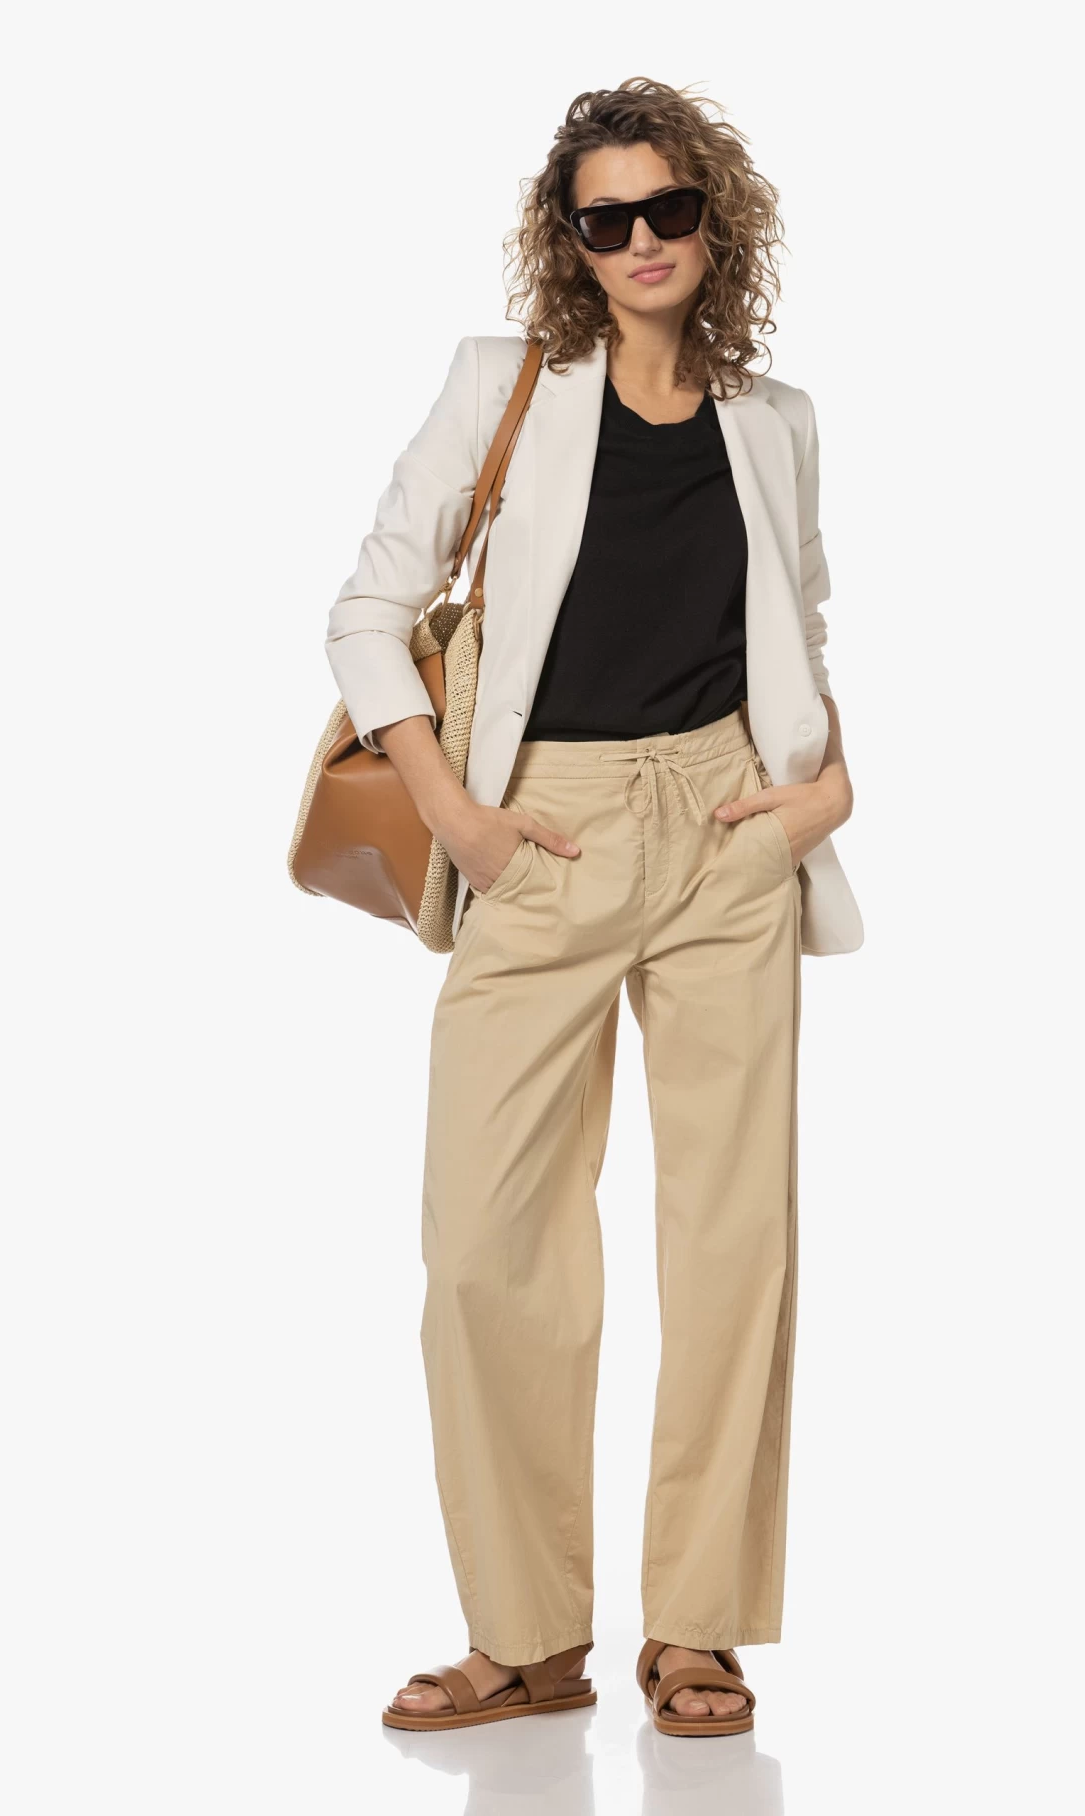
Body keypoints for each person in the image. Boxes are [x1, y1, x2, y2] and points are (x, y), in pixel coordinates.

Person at [323, 77, 863, 1737]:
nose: (641, 241)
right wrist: (459, 819)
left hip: (726, 829)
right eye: (605, 218)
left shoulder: (774, 420)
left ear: (715, 221)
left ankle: (698, 1628)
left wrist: (829, 788)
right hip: (539, 831)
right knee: (485, 1245)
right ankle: (524, 1634)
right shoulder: (504, 385)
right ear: (570, 240)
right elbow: (367, 615)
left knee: (733, 1241)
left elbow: (801, 631)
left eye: (668, 209)